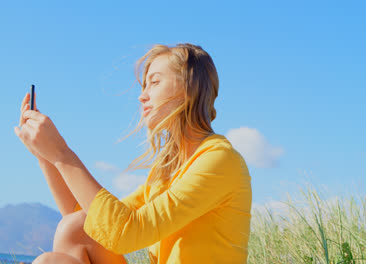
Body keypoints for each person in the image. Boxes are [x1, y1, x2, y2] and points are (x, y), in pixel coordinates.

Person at [14, 43, 252, 264]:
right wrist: (45, 157)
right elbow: (92, 223)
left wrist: (61, 153)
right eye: (144, 85)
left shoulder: (219, 160)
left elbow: (127, 234)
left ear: (188, 88)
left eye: (154, 82)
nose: (142, 95)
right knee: (73, 231)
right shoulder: (167, 170)